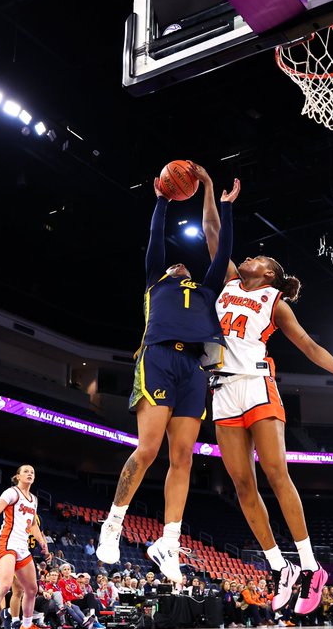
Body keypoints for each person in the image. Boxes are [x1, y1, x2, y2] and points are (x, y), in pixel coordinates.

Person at [203, 182, 333, 615]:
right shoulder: (225, 281)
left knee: (277, 473)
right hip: (221, 389)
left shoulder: (275, 300)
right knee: (243, 486)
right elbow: (211, 229)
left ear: (268, 273)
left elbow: (309, 346)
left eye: (258, 258)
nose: (247, 257)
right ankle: (279, 568)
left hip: (257, 385)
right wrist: (211, 192)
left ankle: (309, 566)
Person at [95, 164, 234, 583]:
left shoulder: (207, 288)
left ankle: (168, 542)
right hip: (157, 358)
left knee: (183, 458)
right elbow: (156, 238)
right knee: (149, 448)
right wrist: (161, 199)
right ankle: (114, 523)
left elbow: (223, 252)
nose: (180, 266)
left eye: (183, 266)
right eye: (175, 265)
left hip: (193, 367)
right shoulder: (157, 281)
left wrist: (221, 203)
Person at [0, 465, 51, 629]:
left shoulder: (33, 499)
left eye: (32, 472)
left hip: (22, 546)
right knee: (4, 585)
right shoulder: (11, 493)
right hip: (6, 543)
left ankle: (26, 626)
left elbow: (33, 524)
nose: (30, 474)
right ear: (17, 476)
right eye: (26, 471)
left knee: (32, 589)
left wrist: (42, 541)